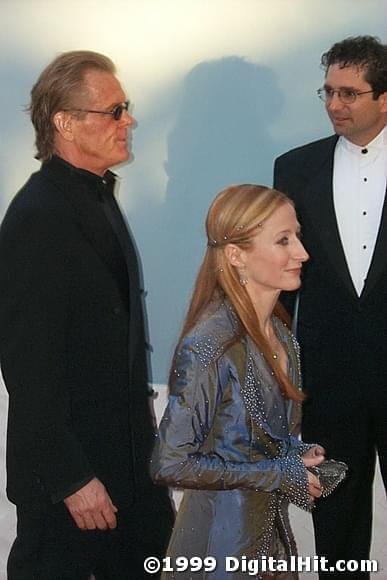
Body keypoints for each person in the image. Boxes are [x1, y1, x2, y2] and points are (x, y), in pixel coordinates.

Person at [0, 50, 173, 580]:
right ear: (66, 123)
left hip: (124, 468)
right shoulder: (39, 217)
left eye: (126, 108)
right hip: (73, 483)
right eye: (114, 110)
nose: (130, 120)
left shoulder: (94, 197)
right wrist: (71, 478)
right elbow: (29, 369)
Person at [151, 184, 327, 580]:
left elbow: (254, 442)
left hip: (269, 549)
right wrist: (279, 473)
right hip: (216, 553)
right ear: (236, 256)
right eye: (284, 240)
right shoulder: (208, 345)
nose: (302, 253)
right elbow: (170, 462)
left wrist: (296, 457)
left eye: (297, 236)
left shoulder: (282, 336)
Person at [273, 36, 387, 578]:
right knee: (337, 530)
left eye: (349, 93)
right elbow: (282, 280)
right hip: (328, 383)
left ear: (384, 98)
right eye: (328, 92)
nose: (334, 104)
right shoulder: (294, 169)